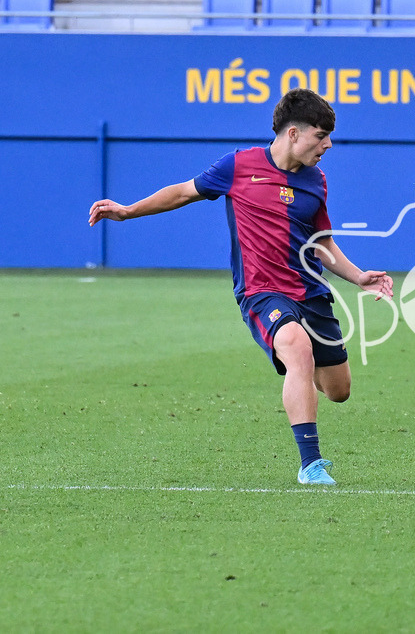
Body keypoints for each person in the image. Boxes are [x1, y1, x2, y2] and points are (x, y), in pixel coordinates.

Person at [88, 89, 393, 486]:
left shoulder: (316, 180)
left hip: (311, 293)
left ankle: (301, 381)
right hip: (261, 292)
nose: (328, 145)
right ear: (294, 134)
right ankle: (310, 464)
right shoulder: (238, 166)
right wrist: (128, 211)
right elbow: (183, 192)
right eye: (322, 136)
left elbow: (322, 243)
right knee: (297, 348)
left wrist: (359, 276)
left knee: (338, 390)